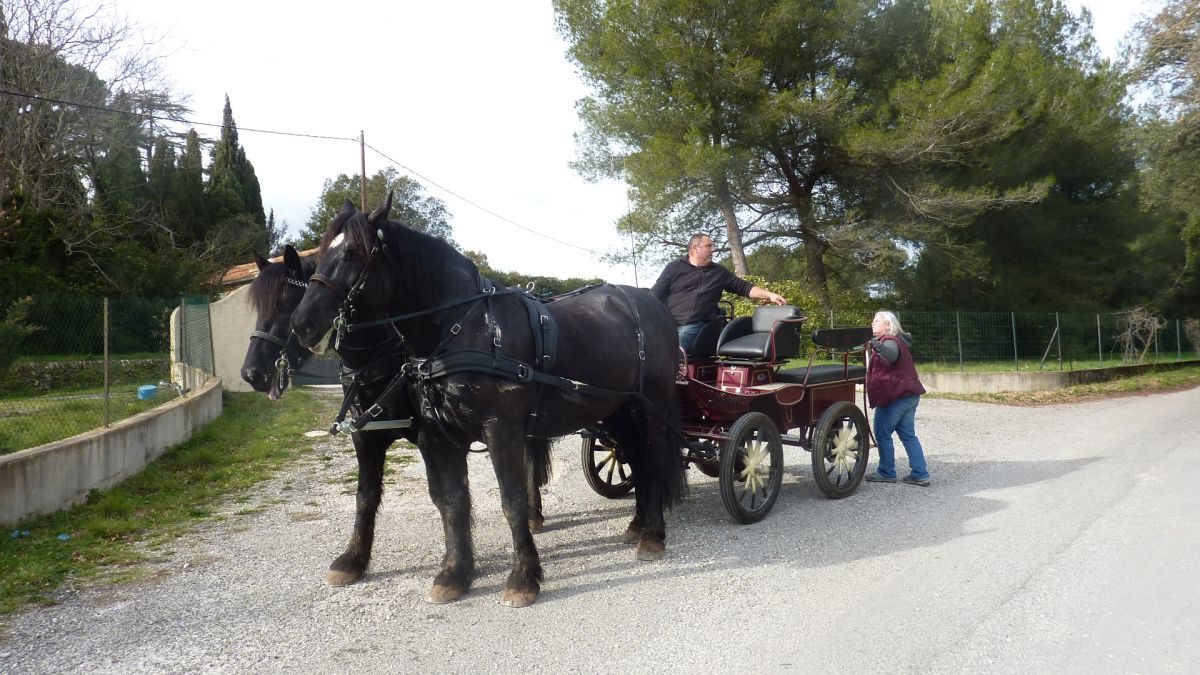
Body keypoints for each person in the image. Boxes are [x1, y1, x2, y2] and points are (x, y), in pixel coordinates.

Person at [650, 233, 787, 352]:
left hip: (697, 326)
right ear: (695, 248)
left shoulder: (719, 272)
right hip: (668, 324)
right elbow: (655, 293)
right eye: (708, 246)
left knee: (667, 350)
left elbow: (744, 287)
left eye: (712, 246)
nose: (713, 249)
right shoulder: (674, 267)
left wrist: (770, 295)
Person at [865, 310, 931, 486]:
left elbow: (891, 354)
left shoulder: (890, 340)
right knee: (908, 435)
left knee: (882, 433)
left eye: (877, 320)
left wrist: (875, 344)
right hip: (909, 395)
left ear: (888, 325)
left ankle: (886, 472)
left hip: (896, 396)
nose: (873, 323)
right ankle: (920, 474)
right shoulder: (897, 340)